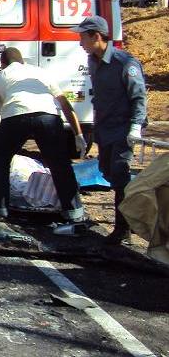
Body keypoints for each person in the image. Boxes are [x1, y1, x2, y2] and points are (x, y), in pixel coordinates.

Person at [0, 47, 87, 222]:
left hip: (15, 117)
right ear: (22, 61)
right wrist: (78, 134)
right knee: (60, 163)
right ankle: (74, 212)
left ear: (2, 64)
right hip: (47, 117)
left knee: (0, 160)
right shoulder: (40, 72)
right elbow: (65, 104)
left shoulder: (0, 77)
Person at [72, 15, 148, 244]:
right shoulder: (94, 61)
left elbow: (139, 97)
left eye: (82, 37)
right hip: (105, 128)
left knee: (119, 173)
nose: (79, 42)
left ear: (96, 36)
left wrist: (135, 125)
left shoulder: (125, 63)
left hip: (123, 128)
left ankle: (124, 228)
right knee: (107, 171)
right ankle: (131, 210)